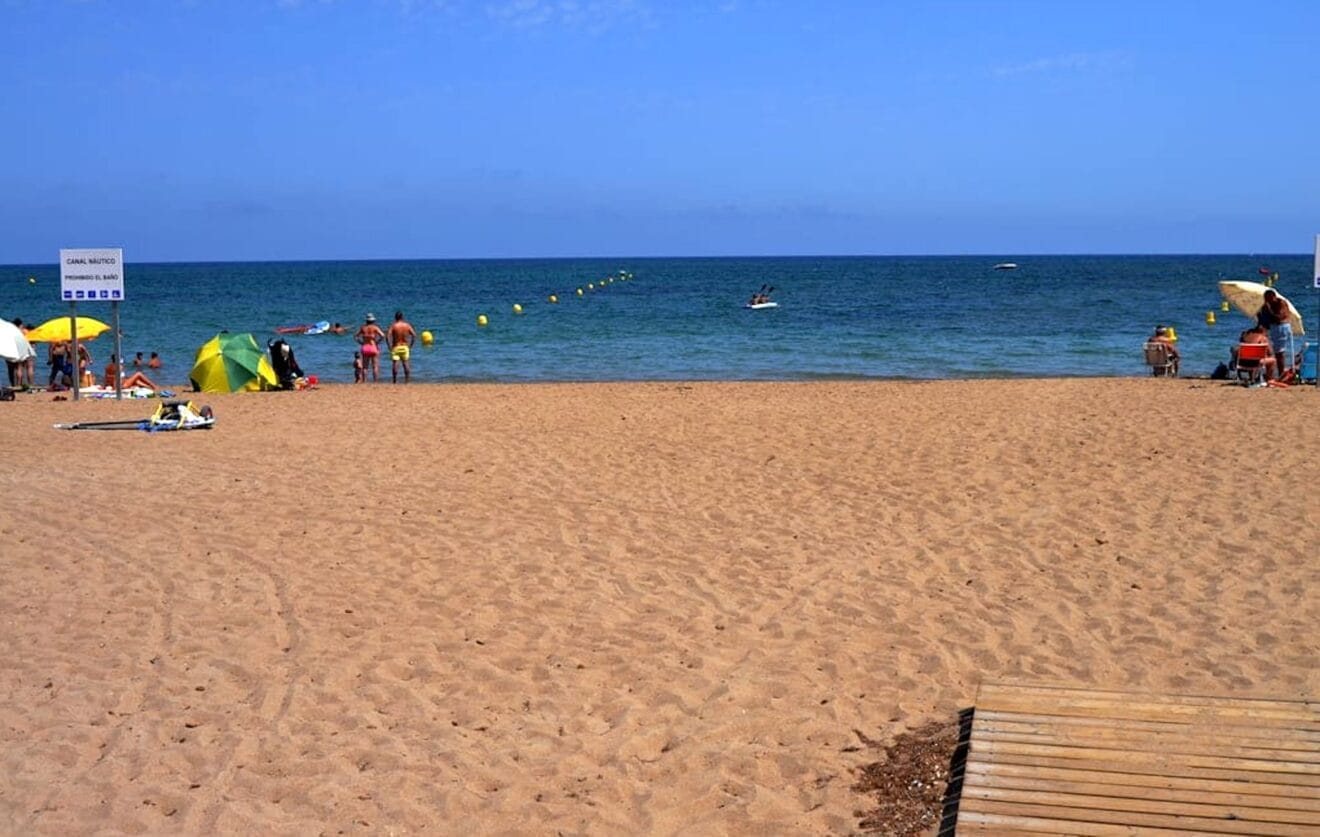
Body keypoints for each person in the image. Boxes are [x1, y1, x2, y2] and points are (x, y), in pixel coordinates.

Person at [1257, 289, 1294, 380]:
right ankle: (1272, 374)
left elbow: (1279, 318)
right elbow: (1264, 321)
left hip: (1281, 327)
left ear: (1274, 296)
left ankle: (1281, 374)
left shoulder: (1281, 303)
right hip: (1273, 328)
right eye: (1265, 299)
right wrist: (1261, 314)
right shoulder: (1267, 306)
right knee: (1270, 351)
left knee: (1279, 352)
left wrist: (1269, 309)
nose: (1267, 301)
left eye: (1268, 298)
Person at [387, 310, 417, 384]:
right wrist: (411, 346)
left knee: (395, 364)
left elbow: (387, 336)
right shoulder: (407, 325)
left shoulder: (393, 326)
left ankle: (394, 381)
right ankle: (407, 381)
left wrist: (389, 346)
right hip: (405, 346)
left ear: (395, 317)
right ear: (402, 317)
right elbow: (414, 335)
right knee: (405, 363)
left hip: (396, 346)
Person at [354, 313, 385, 382]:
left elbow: (355, 336)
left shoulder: (363, 328)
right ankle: (375, 381)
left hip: (365, 347)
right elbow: (382, 336)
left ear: (366, 321)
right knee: (375, 366)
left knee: (365, 367)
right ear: (373, 321)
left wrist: (361, 342)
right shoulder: (375, 327)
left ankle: (364, 381)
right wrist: (377, 342)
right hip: (373, 347)